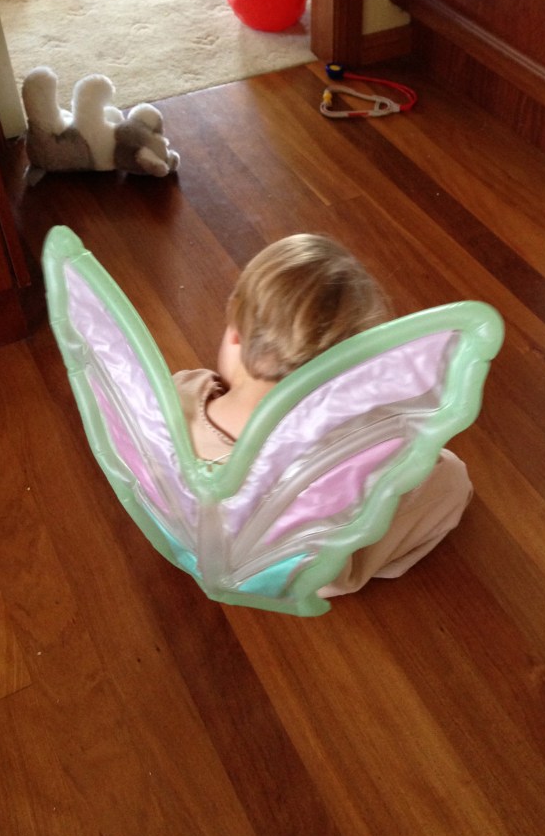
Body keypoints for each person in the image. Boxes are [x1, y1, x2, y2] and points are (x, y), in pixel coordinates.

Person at [173, 233, 472, 596]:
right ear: (344, 374)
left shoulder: (182, 392)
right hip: (292, 575)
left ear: (236, 332)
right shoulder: (340, 458)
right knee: (451, 477)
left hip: (184, 535)